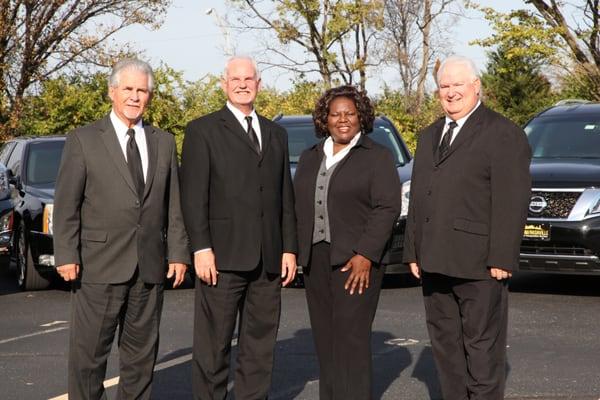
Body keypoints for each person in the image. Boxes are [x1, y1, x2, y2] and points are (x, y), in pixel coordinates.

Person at [53, 58, 190, 400]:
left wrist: (178, 253)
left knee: (141, 362)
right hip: (97, 268)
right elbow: (67, 203)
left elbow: (173, 204)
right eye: (127, 88)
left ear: (150, 97)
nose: (134, 96)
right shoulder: (84, 139)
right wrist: (66, 254)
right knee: (88, 361)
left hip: (149, 269)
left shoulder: (164, 142)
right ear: (112, 91)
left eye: (141, 90)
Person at [403, 55, 531, 400]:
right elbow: (420, 197)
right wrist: (413, 248)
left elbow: (512, 199)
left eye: (458, 84)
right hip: (434, 261)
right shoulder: (429, 136)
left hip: (480, 265)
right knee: (446, 351)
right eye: (444, 86)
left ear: (476, 87)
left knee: (482, 353)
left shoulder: (503, 133)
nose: (451, 92)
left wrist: (502, 256)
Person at [180, 55, 297, 400]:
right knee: (213, 348)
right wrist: (201, 248)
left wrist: (289, 248)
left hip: (268, 257)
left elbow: (283, 196)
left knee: (259, 348)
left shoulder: (276, 133)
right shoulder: (202, 130)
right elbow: (193, 196)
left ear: (259, 85)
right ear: (224, 84)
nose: (243, 84)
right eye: (236, 79)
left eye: (249, 79)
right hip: (221, 257)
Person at [293, 85, 402, 399]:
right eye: (335, 114)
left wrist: (366, 254)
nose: (343, 120)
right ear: (324, 119)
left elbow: (387, 208)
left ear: (361, 117)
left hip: (356, 263)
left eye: (350, 114)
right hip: (315, 260)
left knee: (351, 342)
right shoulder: (310, 156)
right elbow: (298, 205)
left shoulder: (377, 157)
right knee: (326, 342)